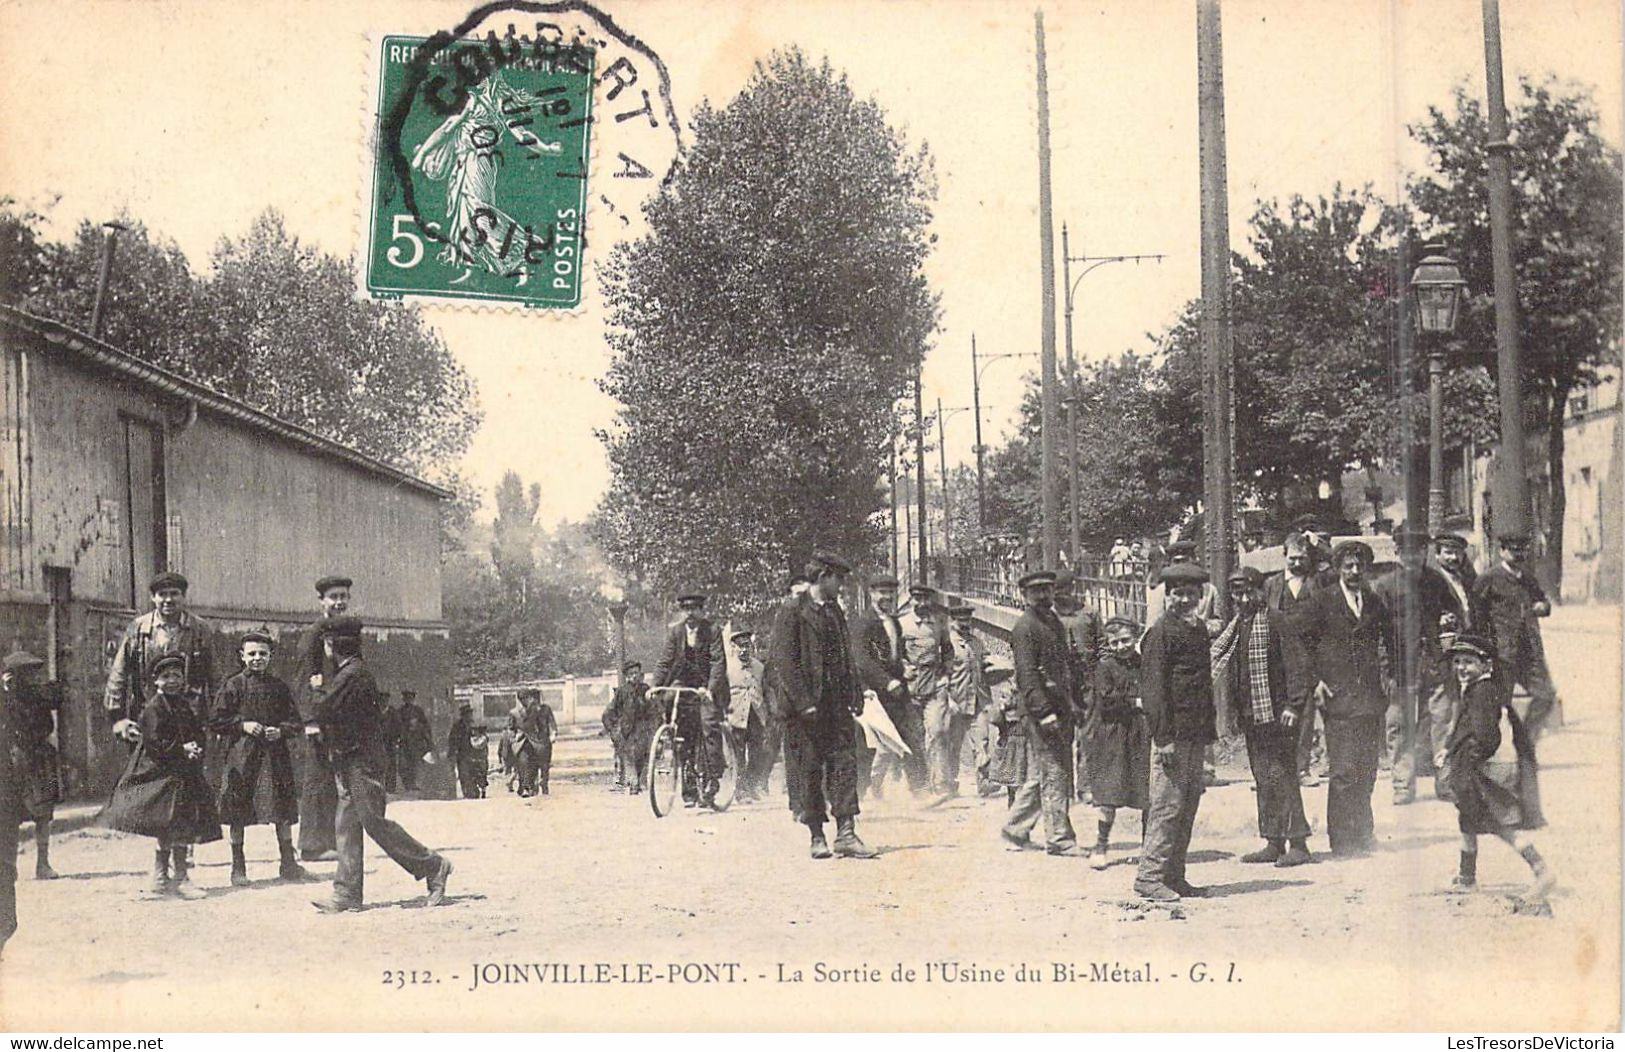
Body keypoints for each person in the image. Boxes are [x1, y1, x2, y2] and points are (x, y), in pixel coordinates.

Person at [308, 617, 452, 913]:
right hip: (351, 759)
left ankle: (433, 865)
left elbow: (322, 710)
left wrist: (317, 687)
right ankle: (346, 893)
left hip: (362, 762)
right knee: (347, 825)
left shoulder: (352, 675)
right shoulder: (352, 673)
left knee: (373, 822)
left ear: (331, 645)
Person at [103, 571, 215, 880]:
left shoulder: (199, 630)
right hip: (150, 720)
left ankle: (181, 856)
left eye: (174, 594)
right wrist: (117, 717)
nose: (168, 600)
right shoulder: (139, 629)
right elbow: (119, 673)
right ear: (154, 598)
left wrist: (217, 718)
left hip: (189, 719)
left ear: (183, 597)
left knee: (185, 789)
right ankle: (162, 862)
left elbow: (213, 678)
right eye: (162, 595)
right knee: (155, 791)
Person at [770, 553, 877, 860]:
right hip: (805, 710)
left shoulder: (834, 612)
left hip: (835, 705)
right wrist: (803, 703)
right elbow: (784, 663)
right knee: (810, 770)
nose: (840, 586)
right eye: (838, 579)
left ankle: (846, 833)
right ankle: (817, 835)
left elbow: (846, 657)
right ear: (823, 576)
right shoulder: (792, 611)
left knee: (845, 764)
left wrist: (855, 693)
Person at [1292, 541, 1394, 857]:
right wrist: (1315, 681)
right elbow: (1299, 642)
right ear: (1338, 568)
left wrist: (1390, 677)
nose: (1353, 572)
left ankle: (1364, 833)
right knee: (1343, 770)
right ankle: (1342, 840)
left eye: (1358, 566)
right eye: (1348, 566)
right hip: (1337, 697)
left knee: (1367, 770)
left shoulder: (1374, 602)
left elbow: (1391, 640)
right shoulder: (1322, 601)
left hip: (1370, 698)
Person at [1440, 633, 1553, 901]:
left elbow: (1486, 736)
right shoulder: (1478, 688)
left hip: (1482, 770)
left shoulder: (1482, 692)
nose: (1461, 668)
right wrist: (1449, 748)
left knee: (1501, 824)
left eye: (1468, 662)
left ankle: (1542, 870)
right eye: (1457, 662)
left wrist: (1468, 759)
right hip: (1474, 767)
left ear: (1486, 665)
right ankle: (1467, 877)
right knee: (1467, 816)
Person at [101, 653, 223, 900]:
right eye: (166, 677)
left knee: (181, 825)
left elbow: (195, 732)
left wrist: (196, 747)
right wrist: (181, 750)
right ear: (156, 681)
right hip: (161, 774)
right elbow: (155, 742)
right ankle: (163, 876)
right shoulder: (154, 708)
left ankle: (177, 877)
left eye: (177, 675)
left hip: (182, 773)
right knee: (168, 826)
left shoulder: (183, 705)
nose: (172, 681)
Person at [1214, 569, 1313, 867]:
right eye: (1236, 593)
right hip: (1251, 715)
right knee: (1263, 777)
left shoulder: (1275, 620)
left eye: (1248, 592)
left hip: (1279, 713)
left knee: (1283, 775)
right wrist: (1233, 712)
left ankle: (1298, 843)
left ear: (1259, 591)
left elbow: (1298, 665)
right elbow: (1234, 672)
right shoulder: (1237, 626)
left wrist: (1293, 706)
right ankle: (1273, 841)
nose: (1243, 599)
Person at [1134, 563, 1218, 901]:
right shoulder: (1160, 633)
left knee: (1187, 806)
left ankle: (1174, 875)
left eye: (1191, 594)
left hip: (1195, 733)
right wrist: (1163, 738)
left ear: (1200, 597)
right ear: (1167, 597)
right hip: (1173, 736)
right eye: (1178, 594)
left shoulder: (1197, 631)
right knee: (1167, 806)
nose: (1185, 599)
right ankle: (1149, 877)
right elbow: (1154, 691)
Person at [211, 630, 307, 885]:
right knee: (237, 809)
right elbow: (216, 720)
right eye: (251, 654)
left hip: (274, 756)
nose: (257, 658)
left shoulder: (279, 687)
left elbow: (295, 721)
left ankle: (287, 862)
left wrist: (282, 730)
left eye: (263, 654)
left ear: (270, 656)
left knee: (282, 808)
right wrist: (242, 725)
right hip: (243, 756)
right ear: (242, 656)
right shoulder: (233, 685)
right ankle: (238, 866)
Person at [1001, 570, 1078, 857]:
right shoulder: (1025, 628)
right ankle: (1059, 838)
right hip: (1042, 710)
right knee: (1055, 771)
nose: (1044, 596)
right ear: (1025, 596)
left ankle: (1014, 828)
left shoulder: (1053, 622)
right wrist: (1043, 711)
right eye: (1037, 592)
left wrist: (1073, 703)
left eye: (1047, 590)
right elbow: (1027, 675)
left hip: (1060, 705)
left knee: (1046, 771)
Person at [1376, 526, 1453, 804]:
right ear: (1397, 552)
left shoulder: (1437, 582)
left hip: (1434, 662)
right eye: (1406, 551)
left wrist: (1447, 630)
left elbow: (1453, 613)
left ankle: (1445, 783)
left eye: (1418, 550)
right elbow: (1377, 635)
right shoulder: (1384, 586)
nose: (1412, 556)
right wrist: (1385, 671)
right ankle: (1402, 786)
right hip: (1400, 667)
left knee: (1443, 721)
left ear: (1425, 553)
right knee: (1399, 726)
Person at [1472, 531, 1561, 739]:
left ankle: (1525, 741)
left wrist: (1543, 606)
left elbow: (1543, 602)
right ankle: (1486, 752)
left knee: (1546, 696)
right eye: (1513, 551)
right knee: (1495, 705)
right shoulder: (1489, 579)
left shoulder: (1528, 579)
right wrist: (1484, 648)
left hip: (1529, 652)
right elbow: (1477, 615)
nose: (1518, 555)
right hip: (1502, 654)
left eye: (1522, 551)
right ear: (1502, 551)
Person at [1264, 531, 1331, 787]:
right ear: (1284, 557)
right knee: (1275, 712)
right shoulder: (1272, 584)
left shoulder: (1318, 581)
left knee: (1304, 714)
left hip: (1309, 656)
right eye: (1292, 558)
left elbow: (1334, 563)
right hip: (1278, 657)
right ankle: (1277, 769)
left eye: (1301, 558)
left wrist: (1318, 544)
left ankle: (1301, 768)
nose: (1296, 563)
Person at [653, 589, 730, 809]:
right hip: (684, 684)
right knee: (680, 729)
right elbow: (665, 661)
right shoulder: (676, 633)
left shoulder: (712, 630)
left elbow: (717, 662)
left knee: (708, 726)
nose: (689, 614)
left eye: (694, 609)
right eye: (686, 609)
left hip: (706, 686)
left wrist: (710, 689)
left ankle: (713, 778)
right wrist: (655, 686)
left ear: (701, 610)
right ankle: (688, 788)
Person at [1084, 618, 1149, 870]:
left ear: (1136, 637)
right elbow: (1107, 700)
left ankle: (1148, 848)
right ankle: (1101, 845)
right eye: (1115, 643)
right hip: (1113, 734)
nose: (1121, 646)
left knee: (1146, 791)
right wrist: (1135, 703)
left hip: (1140, 734)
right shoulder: (1104, 667)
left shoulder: (1143, 663)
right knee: (1109, 792)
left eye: (1126, 640)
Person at [295, 574, 351, 862]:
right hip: (319, 716)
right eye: (334, 597)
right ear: (322, 601)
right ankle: (311, 845)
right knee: (317, 779)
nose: (339, 602)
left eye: (343, 596)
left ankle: (329, 840)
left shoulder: (345, 632)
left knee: (334, 779)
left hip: (338, 716)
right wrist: (310, 719)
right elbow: (304, 677)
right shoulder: (316, 633)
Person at [849, 574, 920, 800]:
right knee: (869, 746)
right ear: (871, 594)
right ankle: (858, 796)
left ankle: (920, 789)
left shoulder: (894, 622)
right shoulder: (863, 623)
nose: (887, 597)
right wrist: (887, 681)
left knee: (911, 736)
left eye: (891, 593)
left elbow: (893, 657)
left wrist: (904, 667)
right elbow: (863, 661)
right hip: (872, 693)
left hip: (896, 691)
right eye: (882, 593)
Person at [3, 652, 62, 880]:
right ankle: (10, 865)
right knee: (11, 812)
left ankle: (43, 863)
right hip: (14, 757)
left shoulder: (39, 697)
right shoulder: (6, 699)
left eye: (32, 674)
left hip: (38, 757)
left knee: (44, 812)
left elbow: (49, 720)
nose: (30, 679)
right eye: (24, 674)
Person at [904, 586, 959, 807]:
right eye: (917, 599)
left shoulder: (939, 623)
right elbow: (891, 651)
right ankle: (918, 785)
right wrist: (902, 666)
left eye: (926, 599)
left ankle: (942, 784)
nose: (921, 603)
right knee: (913, 737)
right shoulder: (902, 623)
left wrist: (946, 674)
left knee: (939, 731)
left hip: (934, 683)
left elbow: (948, 650)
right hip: (909, 685)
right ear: (911, 600)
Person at [1054, 569, 1102, 804]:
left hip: (1088, 682)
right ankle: (1065, 789)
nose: (1061, 596)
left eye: (1064, 591)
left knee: (1088, 736)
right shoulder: (1048, 618)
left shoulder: (1089, 613)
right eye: (1056, 593)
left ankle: (1085, 786)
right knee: (1063, 736)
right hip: (1060, 685)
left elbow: (1102, 646)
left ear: (1072, 589)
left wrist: (1100, 676)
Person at [936, 601, 987, 802]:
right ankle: (949, 784)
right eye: (960, 620)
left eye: (967, 619)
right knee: (952, 746)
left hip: (977, 701)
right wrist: (947, 699)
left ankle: (985, 783)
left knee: (981, 741)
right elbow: (939, 675)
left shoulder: (977, 642)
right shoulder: (947, 645)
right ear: (952, 621)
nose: (965, 623)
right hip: (955, 701)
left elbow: (985, 663)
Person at [607, 662, 654, 793]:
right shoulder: (622, 691)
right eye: (631, 674)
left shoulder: (646, 689)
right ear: (627, 676)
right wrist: (613, 729)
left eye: (636, 673)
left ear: (641, 675)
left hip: (643, 728)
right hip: (627, 730)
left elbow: (653, 709)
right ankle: (633, 784)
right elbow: (611, 711)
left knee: (642, 757)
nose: (634, 676)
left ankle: (638, 782)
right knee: (629, 757)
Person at [509, 689, 556, 798]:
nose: (533, 700)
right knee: (524, 764)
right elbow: (510, 728)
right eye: (523, 699)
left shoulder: (543, 709)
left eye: (536, 698)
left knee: (543, 766)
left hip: (542, 742)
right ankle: (526, 788)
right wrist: (513, 739)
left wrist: (553, 734)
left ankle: (543, 784)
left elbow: (552, 724)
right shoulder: (515, 712)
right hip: (523, 741)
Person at [446, 700, 489, 799]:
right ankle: (468, 792)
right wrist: (452, 753)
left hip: (474, 753)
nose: (469, 716)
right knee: (464, 774)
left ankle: (475, 790)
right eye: (467, 714)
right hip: (462, 754)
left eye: (470, 713)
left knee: (475, 772)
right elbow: (452, 739)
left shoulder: (475, 724)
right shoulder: (457, 725)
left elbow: (483, 737)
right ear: (463, 715)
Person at [395, 691, 434, 792]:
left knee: (415, 763)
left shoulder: (418, 711)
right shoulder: (400, 712)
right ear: (404, 699)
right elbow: (396, 726)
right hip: (404, 742)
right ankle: (407, 784)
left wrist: (427, 739)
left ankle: (414, 783)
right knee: (404, 765)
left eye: (410, 698)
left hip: (416, 741)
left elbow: (425, 725)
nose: (409, 700)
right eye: (406, 698)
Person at [379, 692, 402, 792]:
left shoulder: (392, 712)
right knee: (379, 763)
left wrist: (397, 738)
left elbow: (398, 726)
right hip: (378, 741)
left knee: (391, 764)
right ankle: (380, 786)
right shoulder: (376, 711)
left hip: (390, 741)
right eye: (382, 700)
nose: (384, 702)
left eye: (386, 700)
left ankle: (391, 787)